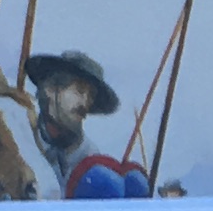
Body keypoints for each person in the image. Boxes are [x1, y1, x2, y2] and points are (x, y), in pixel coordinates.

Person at [19, 51, 152, 202]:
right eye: (79, 90)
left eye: (91, 96)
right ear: (51, 89)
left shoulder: (89, 154)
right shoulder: (22, 142)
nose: (85, 103)